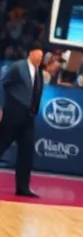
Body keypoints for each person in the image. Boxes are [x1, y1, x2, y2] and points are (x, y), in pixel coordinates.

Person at [0, 43, 44, 198]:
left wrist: (34, 110)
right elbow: (2, 84)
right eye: (38, 54)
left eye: (42, 55)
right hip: (13, 113)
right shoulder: (18, 67)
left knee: (27, 150)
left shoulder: (39, 72)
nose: (40, 57)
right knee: (2, 145)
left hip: (29, 117)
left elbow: (37, 92)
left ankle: (23, 187)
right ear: (31, 53)